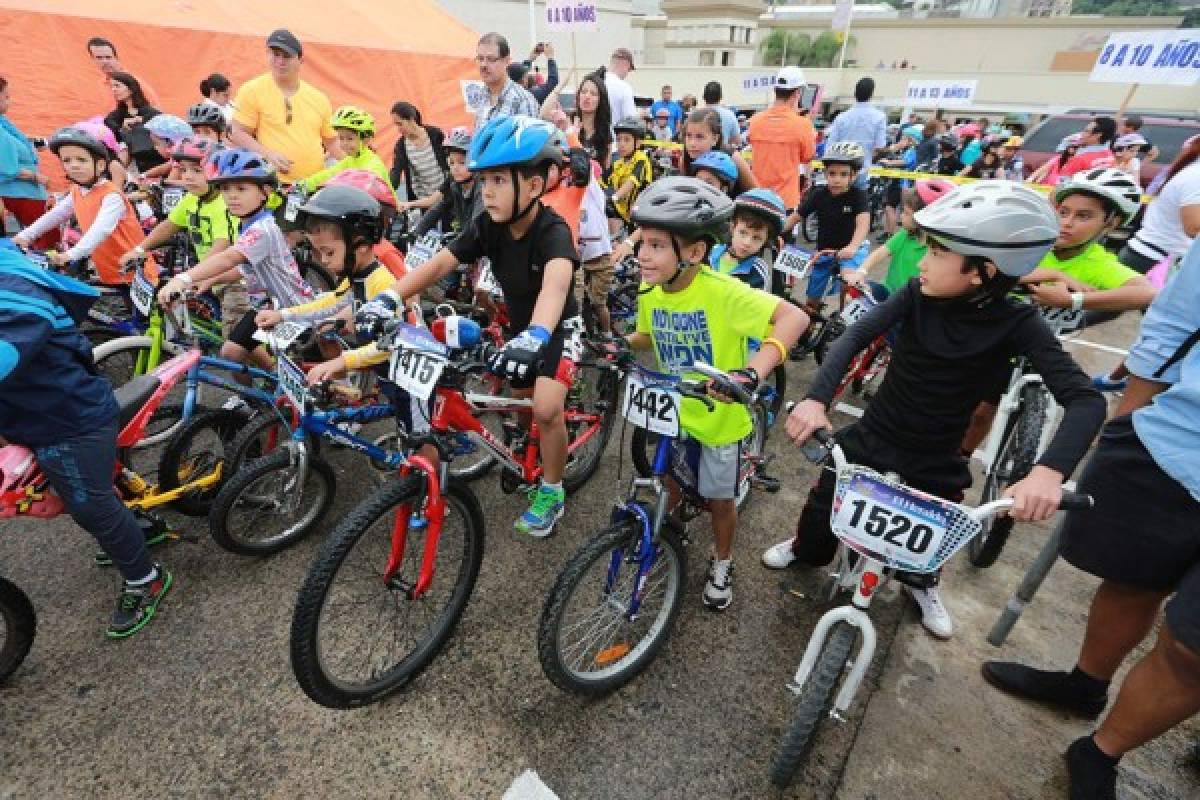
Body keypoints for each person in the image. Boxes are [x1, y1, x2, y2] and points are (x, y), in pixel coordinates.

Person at [764, 180, 1106, 638]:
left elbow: (1086, 400)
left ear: (983, 272)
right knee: (821, 521)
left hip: (938, 455)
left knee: (934, 538)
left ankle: (922, 581)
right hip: (874, 436)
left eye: (939, 254)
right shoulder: (914, 294)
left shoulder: (1018, 321)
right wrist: (815, 398)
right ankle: (805, 547)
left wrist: (1049, 471)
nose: (922, 262)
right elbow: (854, 336)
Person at [981, 237, 1200, 800]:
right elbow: (1176, 317)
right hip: (1178, 439)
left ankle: (1101, 750)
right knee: (1131, 578)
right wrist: (1125, 421)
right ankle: (1086, 684)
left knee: (1193, 647)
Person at [351, 116, 581, 536]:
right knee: (519, 394)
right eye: (483, 179)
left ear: (532, 186)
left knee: (547, 408)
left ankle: (552, 488)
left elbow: (556, 286)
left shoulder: (554, 232)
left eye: (497, 179)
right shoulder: (489, 226)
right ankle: (523, 445)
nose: (486, 191)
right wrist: (389, 297)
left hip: (557, 327)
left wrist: (538, 335)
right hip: (521, 328)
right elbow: (442, 261)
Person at [626, 177, 807, 609]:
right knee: (666, 482)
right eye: (641, 243)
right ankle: (664, 538)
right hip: (673, 409)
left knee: (719, 500)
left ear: (693, 252)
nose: (642, 255)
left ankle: (722, 562)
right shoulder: (652, 289)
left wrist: (751, 372)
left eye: (655, 245)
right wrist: (619, 343)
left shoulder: (724, 292)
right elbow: (649, 335)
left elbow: (794, 319)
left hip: (719, 419)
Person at [0, 242, 173, 637]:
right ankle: (140, 528)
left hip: (68, 421)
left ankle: (146, 578)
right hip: (32, 416)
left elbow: (8, 347)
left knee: (89, 505)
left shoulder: (14, 287)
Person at [958, 168, 1156, 462]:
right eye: (1063, 212)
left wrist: (1073, 300)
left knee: (988, 409)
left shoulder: (1099, 263)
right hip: (984, 335)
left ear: (1110, 222)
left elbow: (1147, 292)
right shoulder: (1033, 241)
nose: (1067, 223)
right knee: (974, 410)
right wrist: (1051, 274)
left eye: (1083, 216)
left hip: (1037, 346)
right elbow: (984, 269)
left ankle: (962, 459)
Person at [155, 149, 313, 372]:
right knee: (231, 354)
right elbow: (243, 268)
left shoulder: (262, 229)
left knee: (292, 372)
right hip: (267, 305)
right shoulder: (246, 223)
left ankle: (280, 388)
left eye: (241, 188)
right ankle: (261, 397)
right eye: (225, 189)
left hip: (292, 307)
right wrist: (208, 281)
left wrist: (183, 278)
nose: (232, 196)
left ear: (265, 192)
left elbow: (230, 257)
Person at [118, 139, 247, 339]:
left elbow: (222, 246)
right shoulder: (192, 199)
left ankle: (270, 366)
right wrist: (139, 250)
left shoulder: (224, 204)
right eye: (184, 170)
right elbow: (169, 226)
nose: (187, 176)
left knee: (236, 340)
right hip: (208, 272)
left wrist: (189, 277)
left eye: (197, 170)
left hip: (236, 278)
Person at [12, 127, 143, 286]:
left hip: (134, 272)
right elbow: (56, 215)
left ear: (101, 165)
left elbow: (100, 230)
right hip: (108, 269)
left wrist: (71, 255)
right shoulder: (77, 191)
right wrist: (25, 236)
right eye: (67, 160)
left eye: (81, 160)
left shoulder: (112, 196)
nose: (73, 165)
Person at [229, 29, 336, 184]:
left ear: (301, 61)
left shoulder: (319, 98)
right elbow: (238, 133)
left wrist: (359, 161)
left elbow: (332, 141)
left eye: (287, 56)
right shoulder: (252, 90)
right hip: (272, 182)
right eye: (275, 54)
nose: (280, 61)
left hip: (313, 184)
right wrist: (268, 154)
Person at [791, 141, 871, 314]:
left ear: (854, 176)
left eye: (843, 174)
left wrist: (853, 246)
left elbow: (863, 223)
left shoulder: (858, 195)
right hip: (825, 251)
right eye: (832, 173)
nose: (836, 179)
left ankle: (847, 319)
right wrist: (775, 228)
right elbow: (796, 216)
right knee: (812, 297)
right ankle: (809, 322)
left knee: (849, 281)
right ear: (825, 173)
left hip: (850, 250)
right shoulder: (819, 194)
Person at [841, 178, 954, 298]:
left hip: (912, 300)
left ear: (923, 218)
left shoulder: (938, 249)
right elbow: (880, 252)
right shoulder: (905, 234)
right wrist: (861, 272)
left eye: (906, 213)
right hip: (889, 290)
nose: (901, 216)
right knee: (852, 295)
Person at [747, 66, 816, 213]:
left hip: (758, 196)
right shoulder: (803, 124)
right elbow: (807, 157)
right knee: (784, 236)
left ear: (775, 91)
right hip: (786, 199)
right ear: (797, 93)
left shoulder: (755, 121)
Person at [0, 75, 52, 249]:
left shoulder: (3, 122)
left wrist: (30, 143)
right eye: (6, 97)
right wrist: (37, 178)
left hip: (23, 193)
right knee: (44, 239)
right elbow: (8, 168)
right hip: (22, 193)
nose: (10, 102)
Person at [709, 188, 788, 292]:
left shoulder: (758, 271)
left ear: (766, 241)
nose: (747, 243)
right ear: (732, 228)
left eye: (756, 238)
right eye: (742, 232)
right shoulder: (712, 252)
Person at [302, 106, 390, 195]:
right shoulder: (351, 160)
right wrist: (303, 185)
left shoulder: (372, 166)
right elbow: (329, 174)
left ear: (365, 139)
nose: (344, 143)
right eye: (341, 138)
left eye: (350, 138)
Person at [415, 128, 481, 240]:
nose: (455, 167)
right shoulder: (455, 186)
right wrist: (417, 232)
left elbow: (475, 227)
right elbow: (438, 208)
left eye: (462, 162)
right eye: (451, 162)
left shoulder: (482, 189)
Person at [823, 77, 887, 189]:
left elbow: (830, 145)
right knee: (858, 204)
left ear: (855, 94)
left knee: (837, 204)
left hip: (840, 171)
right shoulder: (879, 117)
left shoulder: (842, 117)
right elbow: (880, 145)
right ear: (871, 95)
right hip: (861, 168)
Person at [388, 101, 447, 217]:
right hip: (423, 202)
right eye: (396, 125)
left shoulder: (435, 134)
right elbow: (396, 173)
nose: (398, 129)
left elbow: (448, 163)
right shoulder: (401, 145)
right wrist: (387, 190)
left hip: (445, 195)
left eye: (400, 124)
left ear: (411, 119)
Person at [473, 33, 539, 130]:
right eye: (480, 58)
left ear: (507, 60)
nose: (483, 65)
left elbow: (529, 142)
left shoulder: (522, 100)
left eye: (491, 59)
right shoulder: (481, 95)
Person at [681, 108, 755, 193]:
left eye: (700, 137)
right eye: (688, 135)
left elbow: (756, 194)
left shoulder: (732, 157)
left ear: (715, 139)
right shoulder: (685, 159)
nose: (692, 143)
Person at [102, 72, 162, 173]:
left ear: (131, 88)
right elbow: (109, 126)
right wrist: (122, 127)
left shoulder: (149, 112)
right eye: (112, 87)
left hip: (153, 160)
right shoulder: (116, 115)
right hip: (129, 160)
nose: (114, 90)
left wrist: (140, 121)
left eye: (117, 86)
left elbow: (161, 122)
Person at [607, 116, 653, 234]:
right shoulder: (618, 163)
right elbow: (603, 180)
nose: (621, 144)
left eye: (626, 140)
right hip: (624, 213)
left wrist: (614, 198)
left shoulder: (641, 159)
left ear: (637, 143)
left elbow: (631, 182)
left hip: (640, 213)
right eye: (618, 139)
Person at [878, 127, 921, 238]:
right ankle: (887, 232)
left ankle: (891, 234)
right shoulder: (905, 150)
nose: (901, 140)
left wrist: (889, 163)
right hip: (896, 181)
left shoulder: (912, 150)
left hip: (902, 183)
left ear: (910, 140)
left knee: (891, 208)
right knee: (888, 208)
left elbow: (906, 162)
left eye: (904, 138)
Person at [572, 72, 613, 170]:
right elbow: (542, 114)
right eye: (583, 92)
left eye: (593, 94)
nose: (587, 96)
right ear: (578, 96)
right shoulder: (569, 123)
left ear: (600, 100)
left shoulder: (605, 133)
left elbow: (605, 170)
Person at [603, 47, 638, 126]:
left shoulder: (593, 82)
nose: (627, 73)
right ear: (626, 64)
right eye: (629, 69)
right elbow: (630, 119)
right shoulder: (624, 87)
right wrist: (640, 115)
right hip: (611, 136)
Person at [702, 81, 740, 148]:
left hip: (700, 155)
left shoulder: (695, 115)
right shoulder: (729, 115)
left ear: (703, 96)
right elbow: (736, 140)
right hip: (723, 155)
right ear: (721, 96)